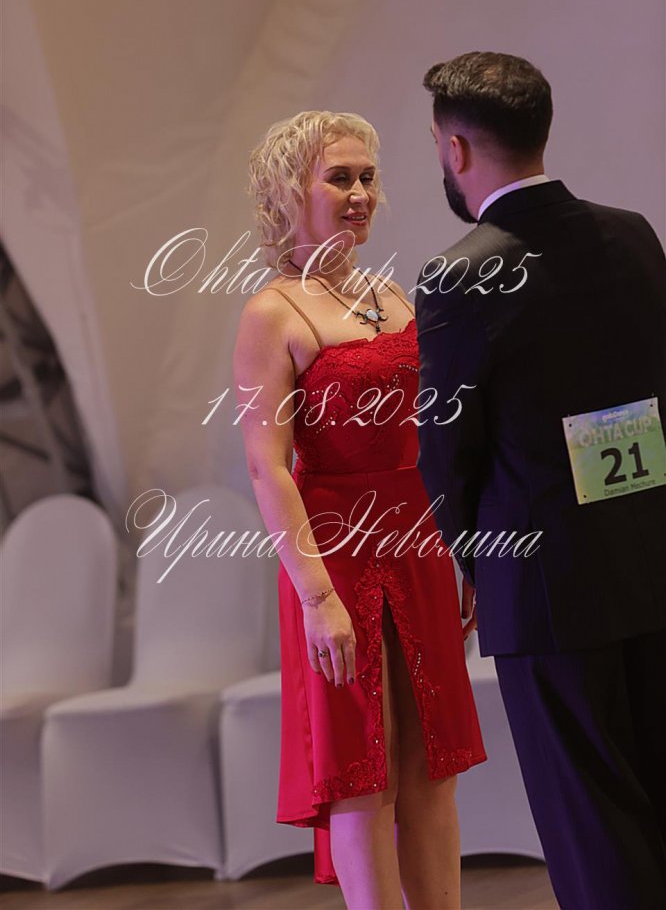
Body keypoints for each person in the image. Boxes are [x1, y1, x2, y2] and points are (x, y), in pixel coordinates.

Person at [415, 51, 666, 909]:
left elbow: (446, 448)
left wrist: (471, 562)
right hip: (651, 560)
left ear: (454, 149)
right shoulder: (633, 234)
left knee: (592, 825)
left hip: (546, 588)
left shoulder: (461, 274)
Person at [234, 110, 486, 909]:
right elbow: (266, 465)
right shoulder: (272, 312)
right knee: (362, 771)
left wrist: (464, 547)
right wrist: (316, 596)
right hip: (335, 552)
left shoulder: (391, 293)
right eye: (339, 178)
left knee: (433, 762)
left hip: (418, 537)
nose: (359, 193)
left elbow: (432, 436)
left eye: (367, 177)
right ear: (289, 192)